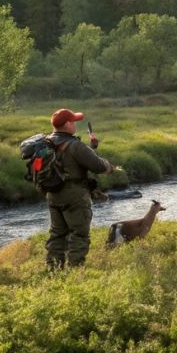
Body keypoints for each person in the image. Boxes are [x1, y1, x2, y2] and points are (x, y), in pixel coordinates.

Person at [45, 108, 115, 269]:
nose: (76, 124)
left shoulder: (46, 143)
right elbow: (99, 167)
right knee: (79, 234)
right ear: (68, 124)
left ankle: (53, 271)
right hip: (74, 196)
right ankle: (75, 271)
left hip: (52, 195)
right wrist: (109, 166)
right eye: (74, 121)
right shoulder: (75, 145)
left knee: (57, 234)